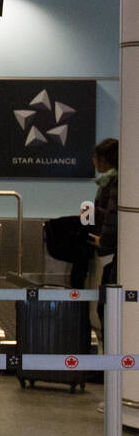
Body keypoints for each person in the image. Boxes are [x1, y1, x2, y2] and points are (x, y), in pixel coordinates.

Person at [88, 137, 119, 346]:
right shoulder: (109, 182)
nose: (93, 161)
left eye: (96, 157)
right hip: (109, 248)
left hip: (109, 250)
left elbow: (113, 216)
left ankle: (108, 358)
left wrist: (104, 240)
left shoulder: (114, 182)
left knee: (105, 304)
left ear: (105, 160)